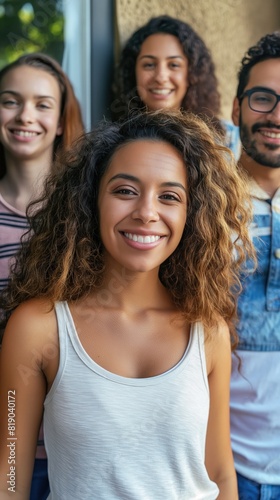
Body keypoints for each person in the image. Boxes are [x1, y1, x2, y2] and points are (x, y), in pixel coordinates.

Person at [0, 110, 254, 499]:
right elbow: (11, 471)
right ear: (91, 200)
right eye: (125, 190)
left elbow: (218, 472)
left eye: (169, 196)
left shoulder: (207, 330)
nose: (146, 212)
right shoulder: (38, 326)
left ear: (192, 214)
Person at [0, 52, 84, 500]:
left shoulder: (88, 215)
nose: (25, 115)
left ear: (60, 120)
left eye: (42, 104)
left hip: (74, 445)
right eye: (10, 101)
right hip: (6, 445)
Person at [230, 31, 280, 499]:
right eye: (264, 98)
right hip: (224, 467)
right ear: (236, 108)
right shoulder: (201, 209)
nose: (276, 116)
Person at [112, 14, 240, 157]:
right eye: (149, 65)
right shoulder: (115, 143)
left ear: (192, 74)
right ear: (133, 72)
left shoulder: (226, 140)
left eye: (173, 65)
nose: (161, 77)